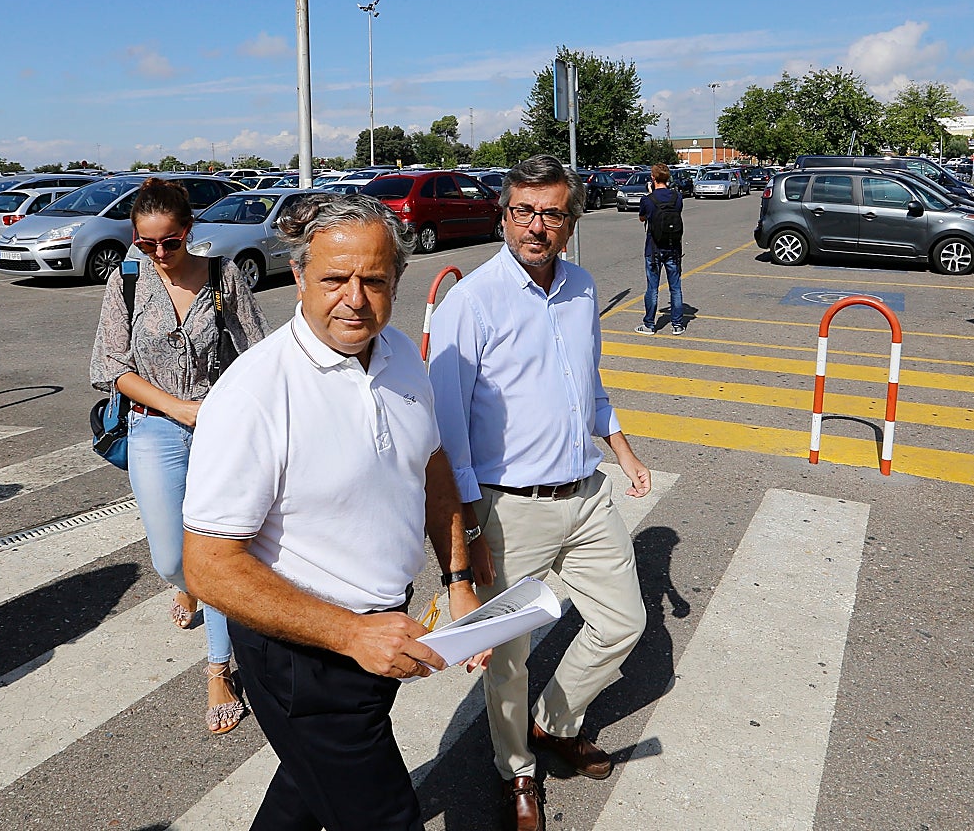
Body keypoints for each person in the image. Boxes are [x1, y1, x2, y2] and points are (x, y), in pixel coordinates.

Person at [181, 193, 487, 831]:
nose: (355, 298)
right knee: (384, 815)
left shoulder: (401, 353)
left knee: (306, 784)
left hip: (381, 629)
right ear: (297, 275)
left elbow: (428, 467)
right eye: (334, 278)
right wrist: (352, 633)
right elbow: (209, 569)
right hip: (304, 655)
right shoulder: (255, 392)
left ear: (397, 279)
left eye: (374, 279)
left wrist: (458, 579)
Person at [427, 154, 651, 831]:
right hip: (507, 507)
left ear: (571, 220)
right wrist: (466, 529)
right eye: (523, 210)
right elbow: (448, 424)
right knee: (510, 658)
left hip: (584, 494)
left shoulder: (582, 287)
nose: (536, 225)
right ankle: (517, 773)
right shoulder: (473, 300)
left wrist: (623, 449)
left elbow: (589, 387)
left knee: (624, 622)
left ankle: (553, 723)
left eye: (552, 212)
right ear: (503, 215)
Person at [90, 177, 269, 735]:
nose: (159, 255)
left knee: (213, 554)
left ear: (188, 232)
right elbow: (107, 368)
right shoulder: (125, 284)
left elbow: (258, 353)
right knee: (172, 560)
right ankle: (186, 586)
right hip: (154, 430)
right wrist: (178, 407)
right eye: (146, 244)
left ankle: (219, 670)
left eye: (169, 242)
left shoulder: (223, 277)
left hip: (221, 433)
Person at [635, 163, 685, 336]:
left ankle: (649, 324)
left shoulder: (648, 200)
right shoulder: (677, 197)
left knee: (652, 288)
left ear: (653, 178)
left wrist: (650, 194)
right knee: (675, 287)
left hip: (653, 249)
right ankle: (677, 324)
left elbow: (642, 218)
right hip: (673, 248)